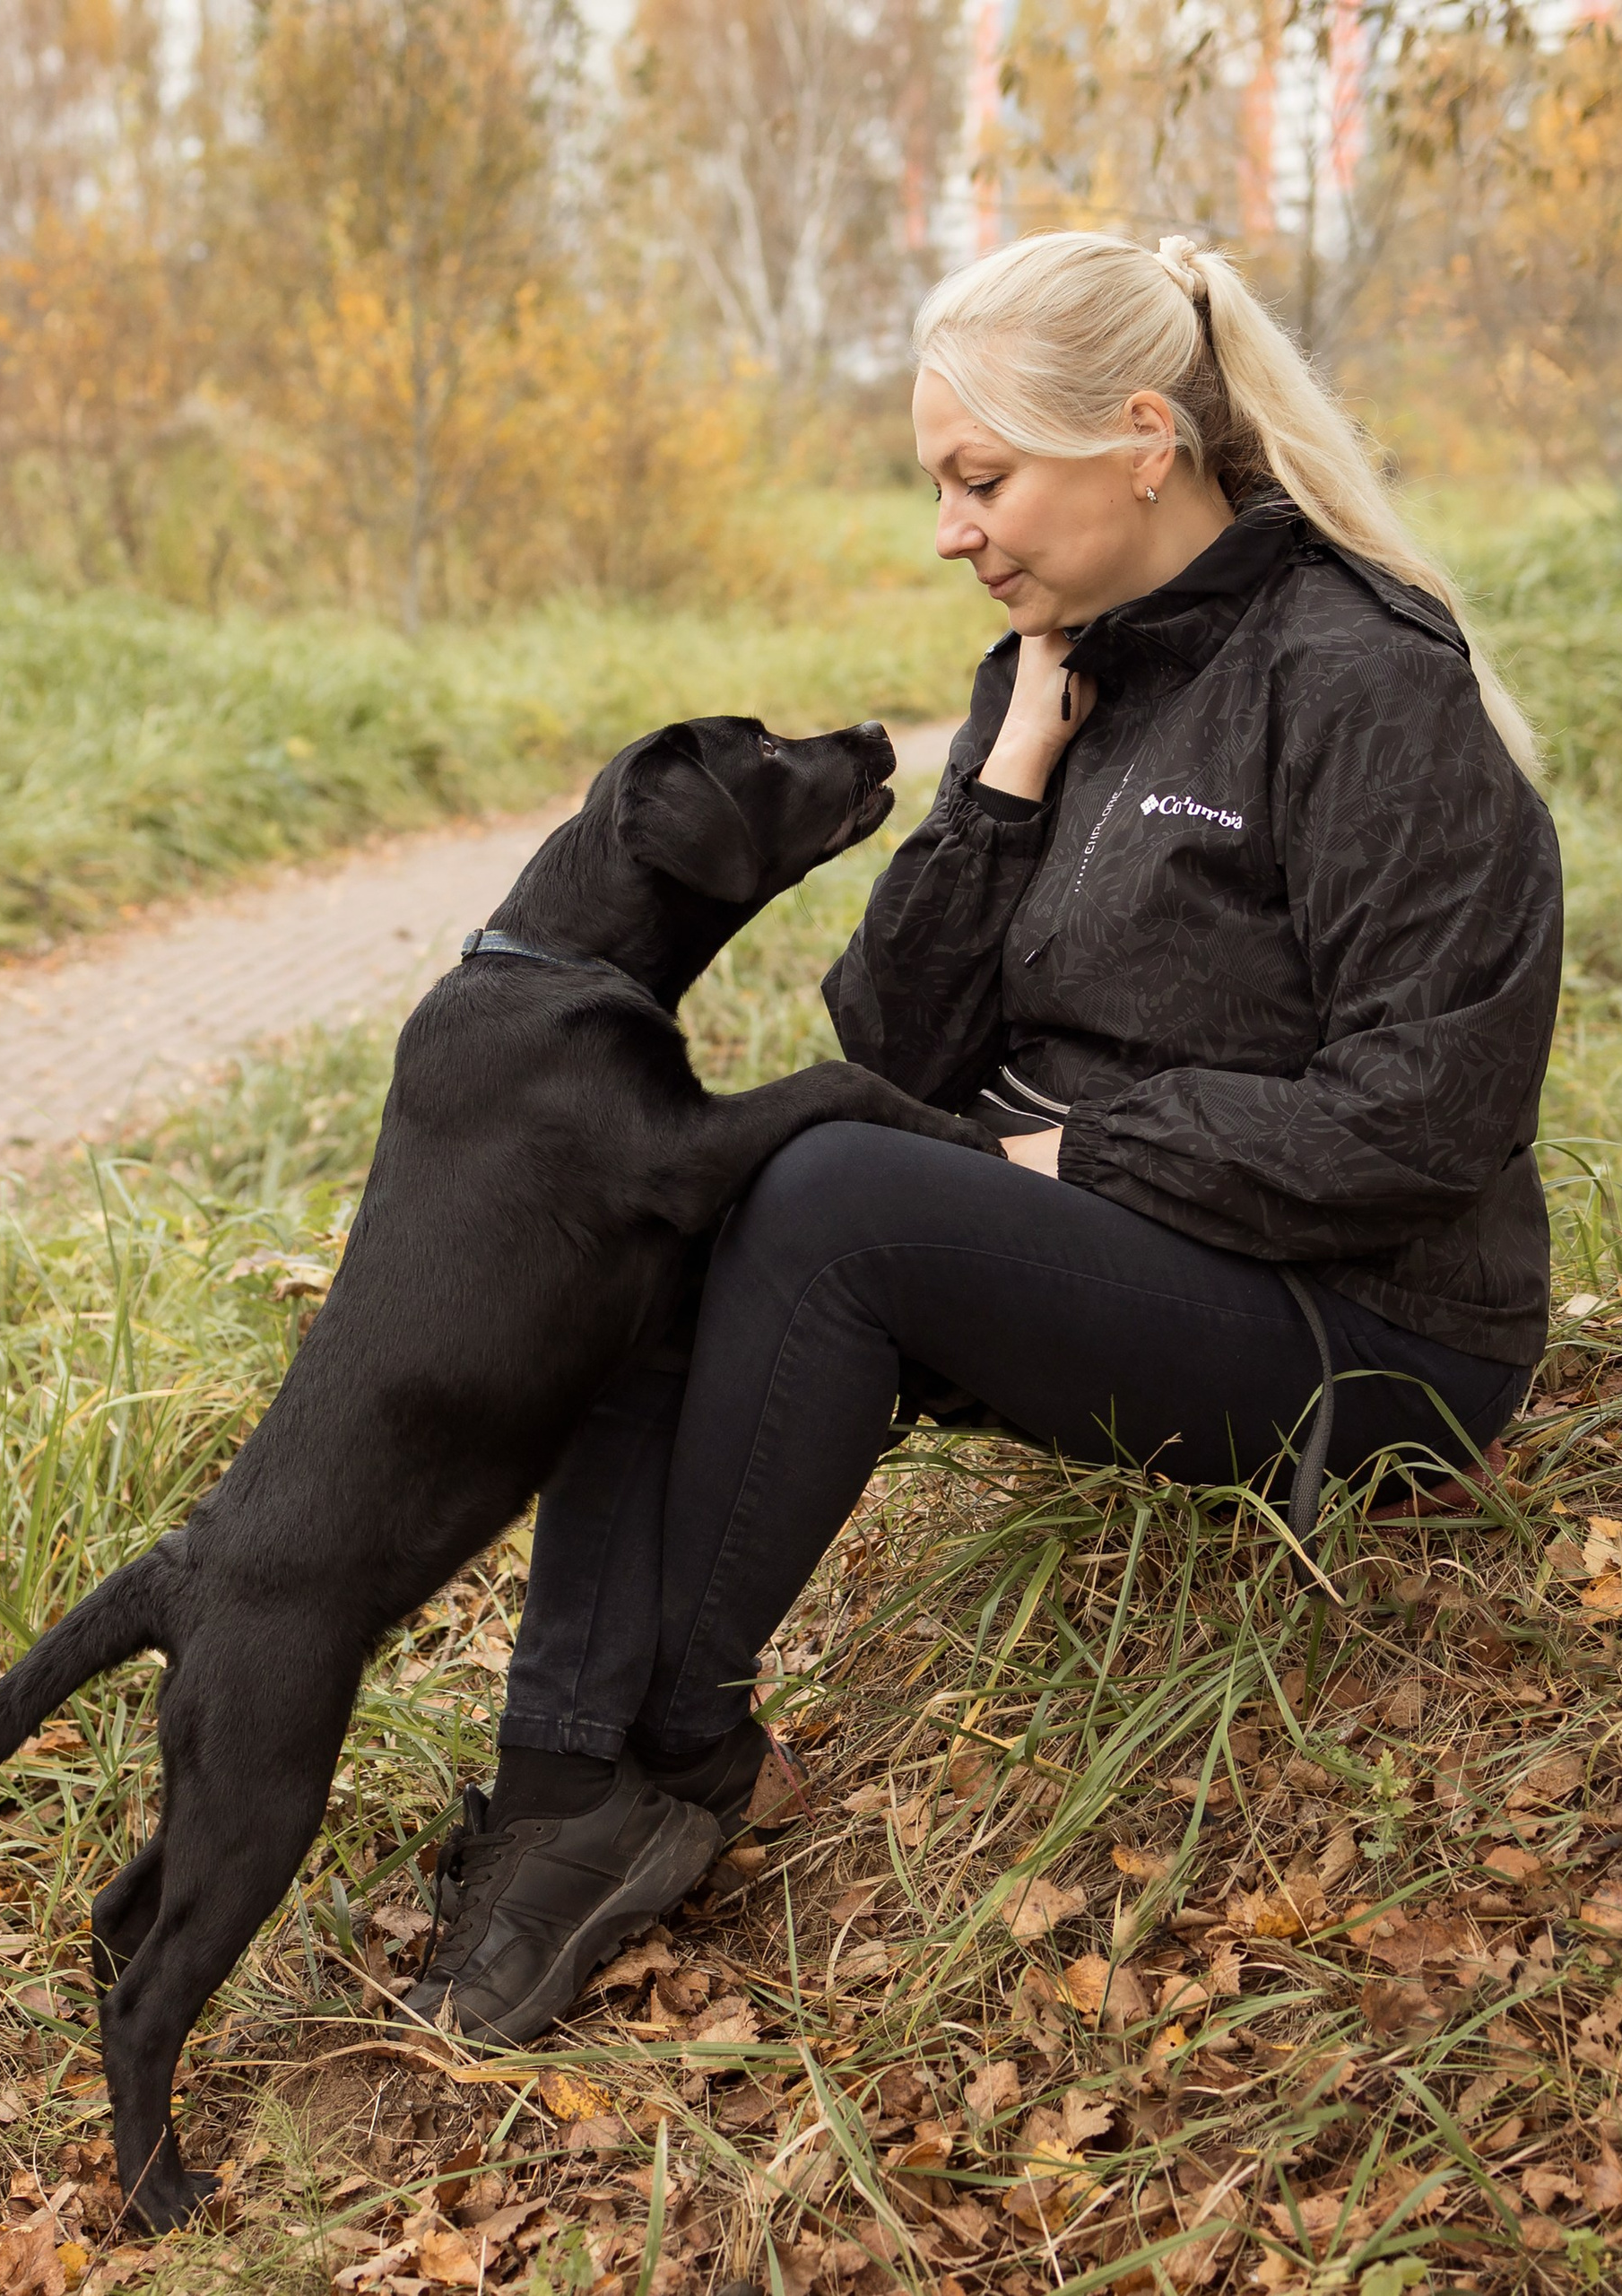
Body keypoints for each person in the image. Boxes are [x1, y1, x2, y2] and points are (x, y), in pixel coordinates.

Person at [395, 229, 1562, 2044]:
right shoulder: (1047, 671)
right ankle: (561, 1780)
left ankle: (680, 1756)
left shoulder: (1357, 678)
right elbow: (891, 1042)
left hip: (1375, 1326)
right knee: (679, 1200)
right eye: (939, 486)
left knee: (838, 1197)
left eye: (981, 478)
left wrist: (1068, 1156)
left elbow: (1427, 1116)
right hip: (1129, 1255)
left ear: (1141, 438)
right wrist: (1007, 779)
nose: (951, 529)